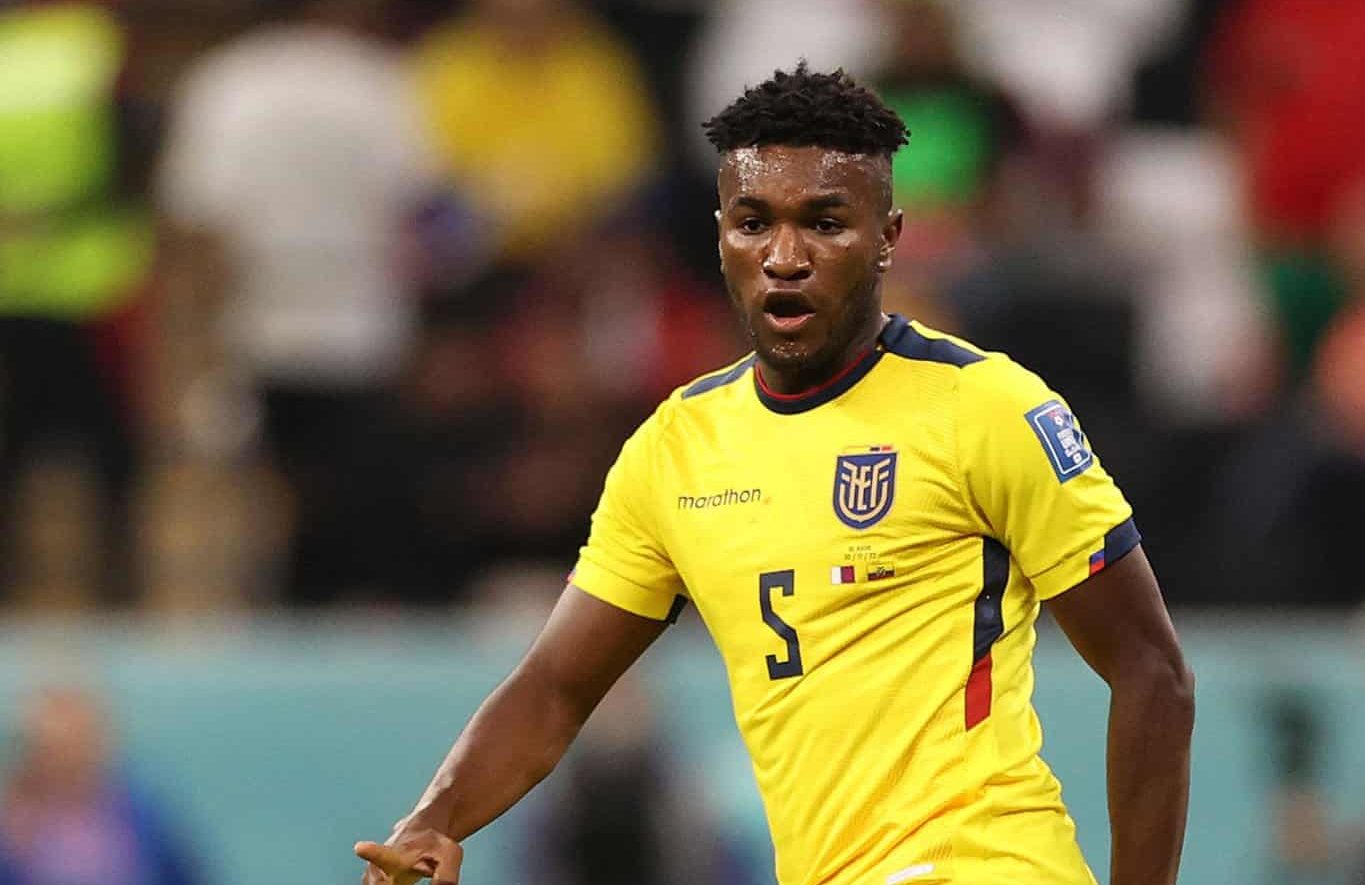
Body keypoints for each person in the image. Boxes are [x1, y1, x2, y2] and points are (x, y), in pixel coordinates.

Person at [355, 64, 1195, 885]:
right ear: (721, 233)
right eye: (753, 223)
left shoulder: (985, 409)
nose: (784, 256)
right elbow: (554, 688)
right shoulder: (675, 448)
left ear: (888, 237)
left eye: (824, 222)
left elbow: (1151, 670)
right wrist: (433, 818)